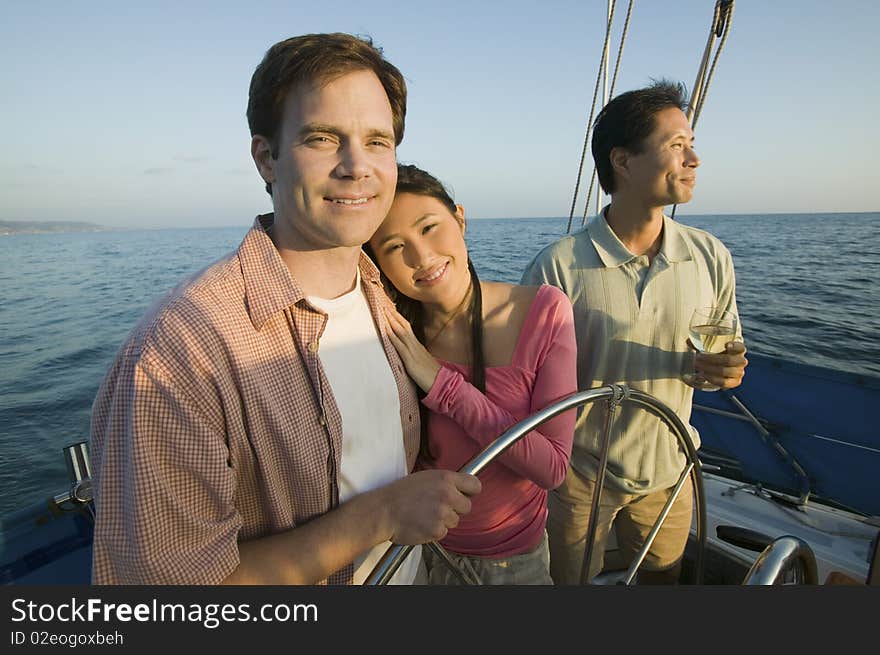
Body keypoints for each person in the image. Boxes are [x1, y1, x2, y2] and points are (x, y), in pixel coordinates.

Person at [89, 33, 481, 586]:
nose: (356, 166)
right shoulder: (180, 354)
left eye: (378, 141)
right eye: (323, 139)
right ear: (266, 157)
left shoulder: (381, 293)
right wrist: (382, 516)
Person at [521, 80, 748, 584]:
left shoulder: (711, 256)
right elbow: (526, 385)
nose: (694, 159)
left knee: (663, 581)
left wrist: (724, 371)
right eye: (676, 146)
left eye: (691, 145)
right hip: (580, 476)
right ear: (622, 162)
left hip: (671, 470)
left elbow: (722, 357)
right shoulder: (558, 268)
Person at [366, 164, 577, 584]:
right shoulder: (390, 330)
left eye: (429, 228)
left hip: (512, 563)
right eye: (394, 247)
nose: (421, 257)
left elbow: (553, 466)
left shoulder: (544, 311)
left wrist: (441, 385)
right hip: (416, 554)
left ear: (460, 218)